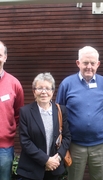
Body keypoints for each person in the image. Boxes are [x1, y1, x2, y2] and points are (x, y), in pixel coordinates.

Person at [56, 46, 103, 180]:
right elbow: (58, 112)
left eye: (93, 63)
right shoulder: (67, 84)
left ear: (98, 64)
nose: (89, 67)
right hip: (75, 144)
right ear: (78, 63)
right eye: (85, 63)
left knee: (99, 178)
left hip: (100, 144)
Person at [17, 72, 71, 180]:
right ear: (34, 92)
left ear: (52, 91)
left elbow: (67, 137)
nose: (44, 92)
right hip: (31, 169)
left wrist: (59, 157)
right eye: (40, 88)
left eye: (47, 88)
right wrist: (46, 160)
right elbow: (25, 141)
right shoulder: (25, 112)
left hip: (54, 168)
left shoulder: (61, 111)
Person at [0, 41, 24, 180]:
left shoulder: (14, 84)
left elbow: (18, 114)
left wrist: (6, 130)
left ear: (5, 57)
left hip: (4, 148)